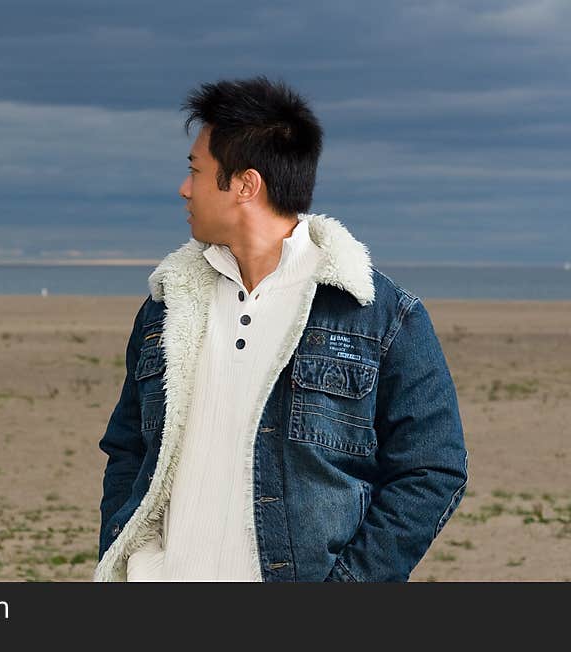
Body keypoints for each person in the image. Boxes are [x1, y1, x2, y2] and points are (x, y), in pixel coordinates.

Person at [94, 76, 468, 582]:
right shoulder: (167, 308)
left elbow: (431, 471)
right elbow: (128, 450)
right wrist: (131, 559)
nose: (184, 188)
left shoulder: (380, 315)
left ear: (245, 184)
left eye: (196, 172)